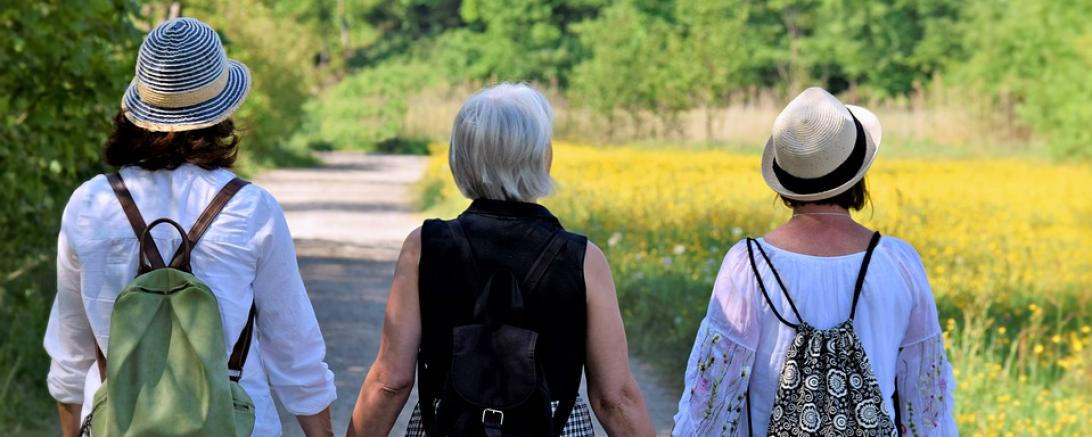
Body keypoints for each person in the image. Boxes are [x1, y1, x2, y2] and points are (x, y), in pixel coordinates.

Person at [44, 17, 335, 437]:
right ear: (222, 112)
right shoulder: (250, 209)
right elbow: (295, 351)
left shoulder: (90, 205)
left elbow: (69, 355)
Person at [347, 83, 655, 437]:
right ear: (542, 156)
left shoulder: (425, 247)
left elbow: (390, 381)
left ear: (460, 156)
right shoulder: (583, 258)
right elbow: (615, 398)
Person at [673, 88, 956, 436]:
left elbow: (712, 400)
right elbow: (926, 400)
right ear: (858, 176)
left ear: (784, 184)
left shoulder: (748, 265)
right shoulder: (898, 263)